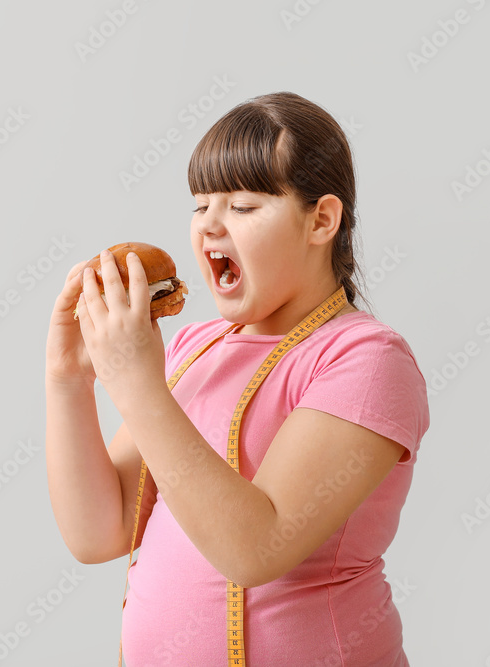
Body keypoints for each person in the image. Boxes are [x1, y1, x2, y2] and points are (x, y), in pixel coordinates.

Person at [45, 91, 430, 666]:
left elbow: (255, 548)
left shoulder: (364, 359)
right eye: (201, 206)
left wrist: (135, 383)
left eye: (243, 207)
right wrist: (69, 382)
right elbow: (98, 533)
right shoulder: (193, 350)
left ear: (322, 220)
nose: (209, 227)